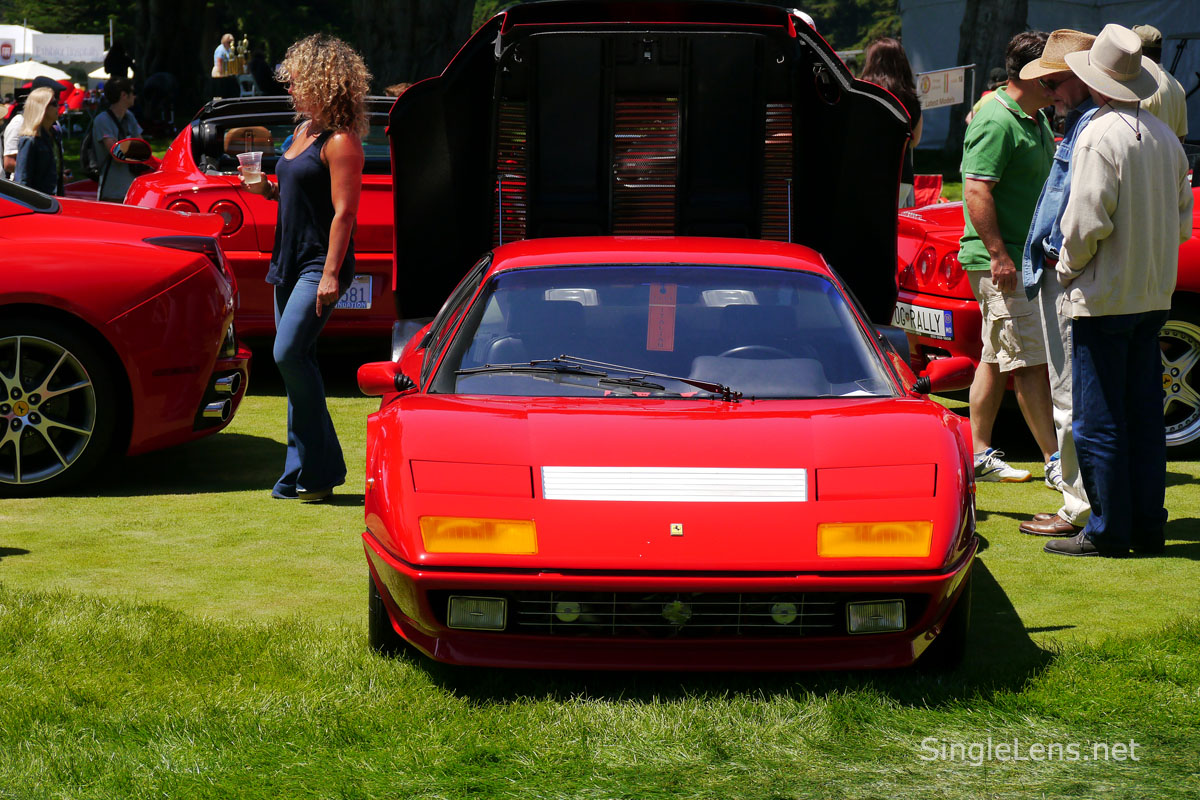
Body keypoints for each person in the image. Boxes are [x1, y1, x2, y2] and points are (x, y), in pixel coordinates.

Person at [1043, 24, 1193, 557]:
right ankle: (1147, 527)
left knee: (1098, 420)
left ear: (1095, 81)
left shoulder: (1098, 134)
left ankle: (1108, 531)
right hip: (1151, 296)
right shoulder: (1165, 136)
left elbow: (1085, 222)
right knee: (1144, 419)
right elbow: (1182, 224)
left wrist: (1066, 268)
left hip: (1104, 297)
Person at [240, 33, 369, 503]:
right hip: (288, 260)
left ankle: (322, 469)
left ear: (322, 81)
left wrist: (332, 273)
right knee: (299, 363)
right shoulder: (303, 132)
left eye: (296, 82)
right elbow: (297, 191)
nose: (290, 90)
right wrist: (266, 190)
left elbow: (344, 213)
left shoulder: (341, 140)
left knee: (288, 354)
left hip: (319, 263)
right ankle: (300, 475)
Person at [959, 31, 1059, 484]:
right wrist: (999, 255)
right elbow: (976, 189)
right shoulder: (997, 119)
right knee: (1029, 363)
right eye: (1054, 71)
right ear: (1034, 75)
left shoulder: (1035, 117)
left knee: (996, 358)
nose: (1061, 79)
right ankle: (1057, 463)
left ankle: (978, 454)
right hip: (1003, 264)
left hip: (1018, 260)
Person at [1015, 29, 1097, 539]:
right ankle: (1087, 504)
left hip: (1068, 278)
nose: (1049, 94)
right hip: (1076, 276)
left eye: (1054, 82)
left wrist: (1060, 263)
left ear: (1081, 77)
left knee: (1068, 397)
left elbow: (1079, 215)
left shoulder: (1089, 127)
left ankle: (1076, 508)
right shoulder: (1101, 122)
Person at [859, 38, 922, 208]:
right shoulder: (911, 97)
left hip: (866, 172)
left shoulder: (861, 95)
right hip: (902, 175)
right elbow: (915, 141)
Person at [1133, 24, 1188, 143]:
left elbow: (1131, 135)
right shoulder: (1178, 86)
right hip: (1171, 154)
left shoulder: (1143, 87)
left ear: (1137, 51)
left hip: (1146, 155)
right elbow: (1181, 138)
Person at [3, 76, 65, 180]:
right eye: (54, 102)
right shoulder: (19, 123)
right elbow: (9, 163)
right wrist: (44, 174)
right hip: (29, 188)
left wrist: (56, 173)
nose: (58, 106)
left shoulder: (54, 127)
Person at [93, 77, 143, 202]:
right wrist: (135, 148)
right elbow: (118, 154)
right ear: (124, 95)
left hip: (132, 192)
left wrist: (130, 148)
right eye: (133, 92)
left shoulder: (129, 117)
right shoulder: (102, 120)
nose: (135, 96)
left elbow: (143, 148)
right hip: (112, 194)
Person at [12, 87, 60, 195]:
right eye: (54, 103)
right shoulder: (29, 140)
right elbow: (22, 181)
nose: (58, 106)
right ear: (42, 108)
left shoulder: (53, 135)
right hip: (38, 202)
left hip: (54, 200)